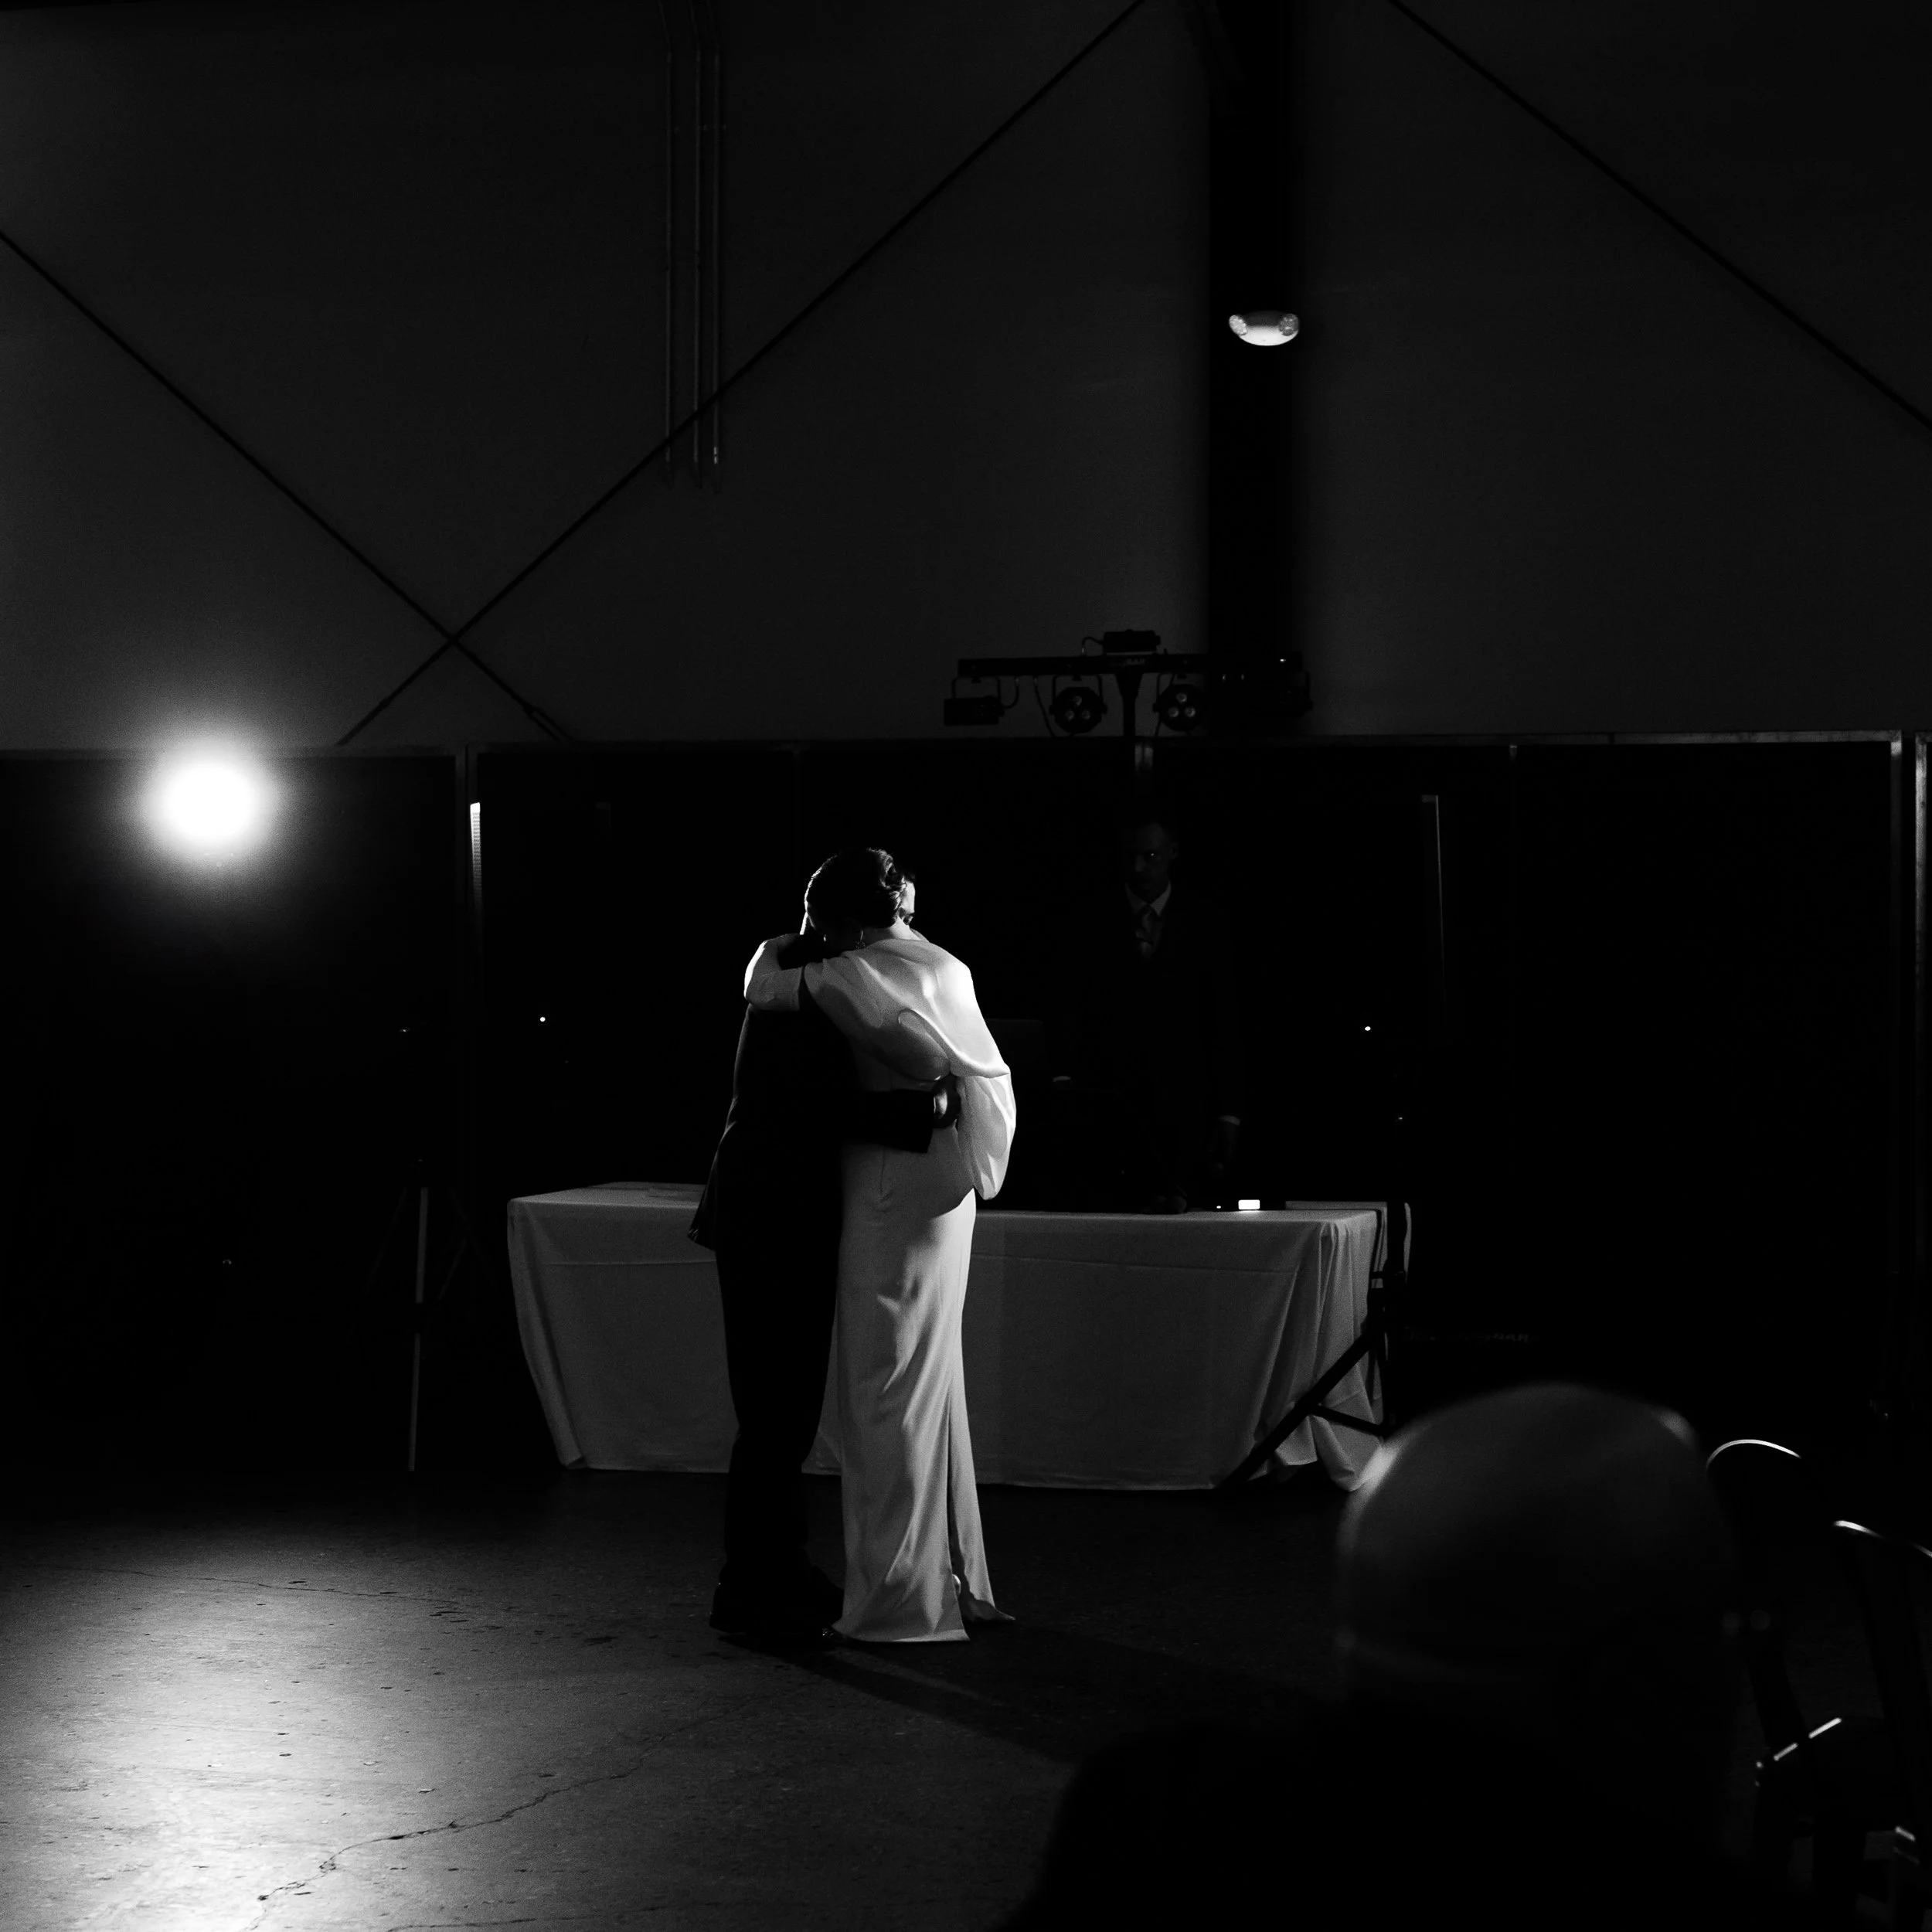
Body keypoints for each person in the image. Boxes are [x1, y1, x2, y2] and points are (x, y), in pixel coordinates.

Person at [744, 848, 1017, 1643]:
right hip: (945, 1186)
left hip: (890, 1189)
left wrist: (787, 940)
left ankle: (898, 1599)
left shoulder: (851, 975)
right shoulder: (943, 961)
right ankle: (951, 1574)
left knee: (883, 1387)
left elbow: (759, 984)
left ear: (847, 922)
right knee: (931, 1383)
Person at [690, 910, 960, 1645]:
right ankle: (747, 1587)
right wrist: (921, 1110)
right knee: (774, 1413)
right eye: (884, 923)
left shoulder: (790, 971)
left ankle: (775, 1568)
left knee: (783, 1412)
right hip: (768, 1219)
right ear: (848, 923)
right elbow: (811, 1106)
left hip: (772, 1216)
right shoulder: (797, 988)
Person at [1060, 801, 1243, 1213]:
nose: (1140, 867)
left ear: (1173, 853)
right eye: (1132, 856)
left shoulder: (1207, 922)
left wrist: (1229, 1111)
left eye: (1152, 855)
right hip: (1113, 1103)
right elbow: (1072, 1009)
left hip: (1187, 1103)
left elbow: (1225, 1021)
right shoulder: (1089, 920)